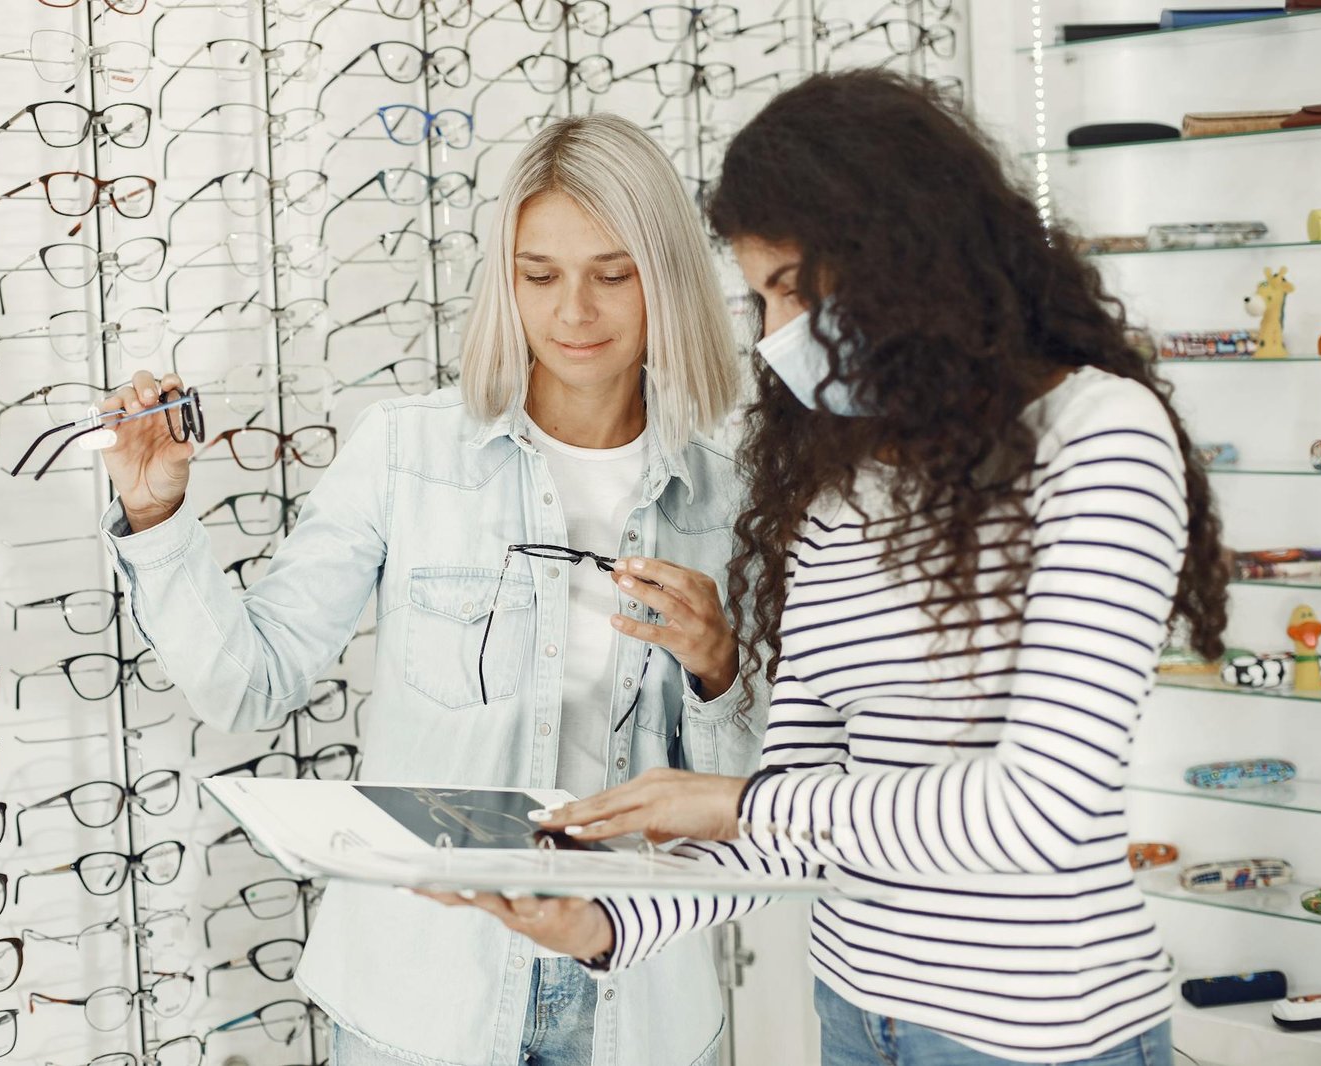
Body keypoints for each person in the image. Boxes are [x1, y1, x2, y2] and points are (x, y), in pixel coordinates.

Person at [427, 70, 1230, 1066]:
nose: (775, 338)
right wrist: (602, 924)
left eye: (793, 290)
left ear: (907, 254)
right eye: (760, 298)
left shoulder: (1097, 439)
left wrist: (731, 799)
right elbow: (799, 802)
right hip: (854, 1016)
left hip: (1039, 1035)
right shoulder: (833, 479)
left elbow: (1040, 810)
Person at [96, 113, 764, 1066]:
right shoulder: (404, 453)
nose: (573, 311)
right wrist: (157, 520)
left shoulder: (728, 500)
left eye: (612, 274)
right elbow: (248, 685)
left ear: (666, 280)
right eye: (540, 276)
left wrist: (718, 666)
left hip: (636, 1006)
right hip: (423, 1006)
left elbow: (750, 802)